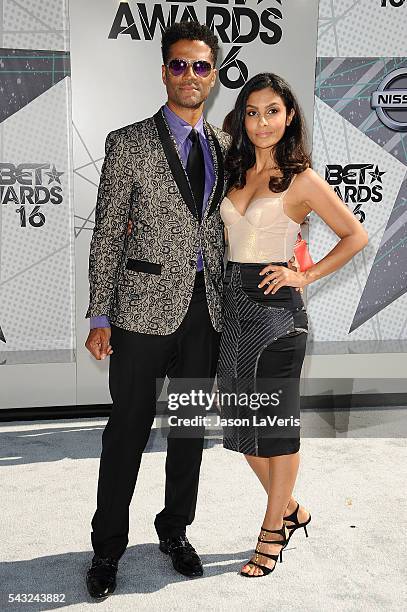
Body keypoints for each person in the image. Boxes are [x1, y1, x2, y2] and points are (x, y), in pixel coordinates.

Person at [84, 22, 230, 599]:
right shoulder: (128, 142)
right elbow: (105, 237)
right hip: (140, 310)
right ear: (164, 70)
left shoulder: (225, 146)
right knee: (126, 432)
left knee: (189, 430)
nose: (189, 75)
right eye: (179, 65)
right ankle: (106, 550)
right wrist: (100, 314)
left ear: (213, 74)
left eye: (200, 66)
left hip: (206, 313)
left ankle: (174, 531)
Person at [217, 72, 368, 578]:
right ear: (242, 118)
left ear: (290, 116)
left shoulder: (301, 178)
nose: (262, 122)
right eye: (253, 112)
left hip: (278, 318)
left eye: (272, 111)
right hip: (234, 316)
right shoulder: (233, 170)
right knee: (240, 427)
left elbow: (355, 236)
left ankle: (270, 532)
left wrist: (303, 274)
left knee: (276, 431)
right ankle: (293, 510)